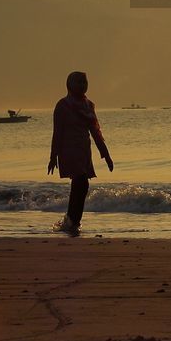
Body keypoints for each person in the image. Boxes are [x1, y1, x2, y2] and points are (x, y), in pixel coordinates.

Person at [47, 70, 113, 235]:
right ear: (69, 85)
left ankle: (72, 221)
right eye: (78, 82)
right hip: (68, 149)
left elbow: (96, 131)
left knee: (81, 185)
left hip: (84, 149)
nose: (82, 85)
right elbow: (57, 132)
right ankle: (72, 221)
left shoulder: (88, 105)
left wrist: (106, 154)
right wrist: (53, 156)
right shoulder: (62, 105)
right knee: (81, 182)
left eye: (84, 82)